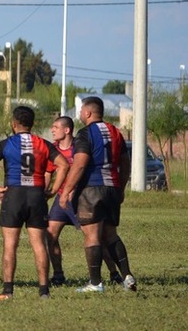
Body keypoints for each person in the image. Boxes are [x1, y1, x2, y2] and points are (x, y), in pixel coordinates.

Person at [0, 106, 69, 300]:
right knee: (39, 244)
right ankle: (44, 291)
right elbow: (63, 164)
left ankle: (7, 291)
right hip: (36, 196)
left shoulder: (6, 143)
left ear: (14, 124)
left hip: (13, 195)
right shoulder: (44, 143)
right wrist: (53, 190)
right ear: (32, 124)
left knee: (10, 245)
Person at [60, 96, 137, 293]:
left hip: (92, 189)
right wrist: (121, 187)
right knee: (111, 235)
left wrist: (67, 190)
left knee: (92, 236)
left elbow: (80, 164)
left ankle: (95, 283)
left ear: (88, 113)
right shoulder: (115, 132)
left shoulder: (85, 134)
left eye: (81, 111)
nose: (79, 114)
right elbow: (126, 164)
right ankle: (127, 276)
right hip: (112, 189)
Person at [45, 116, 122, 286]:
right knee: (50, 234)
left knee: (96, 237)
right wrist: (46, 193)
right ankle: (58, 275)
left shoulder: (80, 145)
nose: (52, 130)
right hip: (61, 198)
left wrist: (73, 189)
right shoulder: (54, 151)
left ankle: (114, 273)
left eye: (56, 126)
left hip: (81, 197)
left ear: (67, 130)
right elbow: (48, 173)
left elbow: (83, 168)